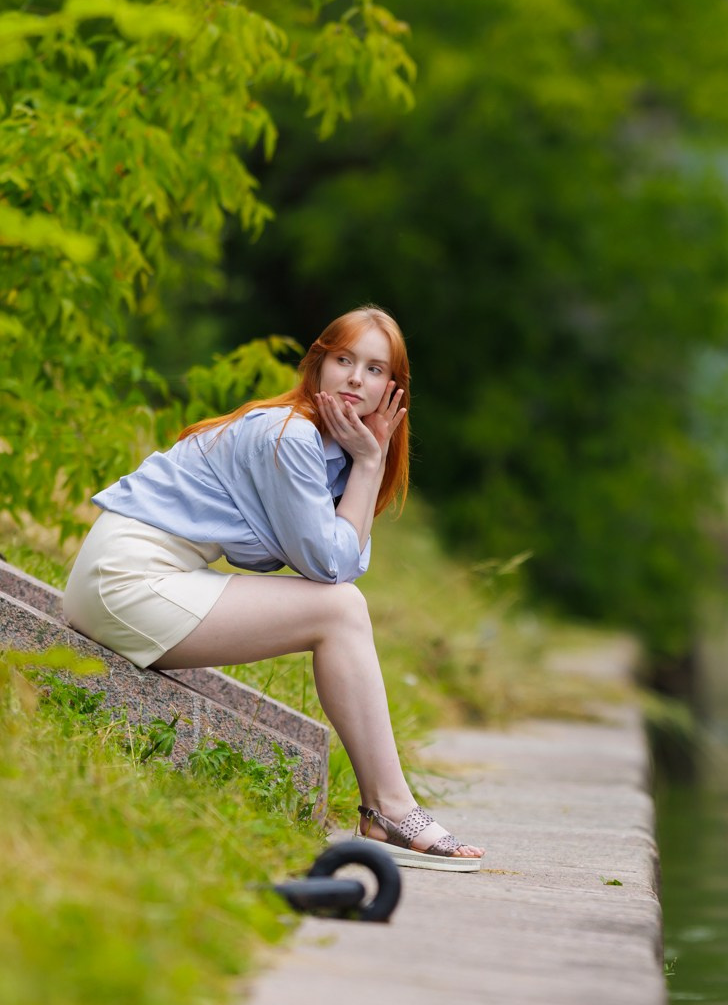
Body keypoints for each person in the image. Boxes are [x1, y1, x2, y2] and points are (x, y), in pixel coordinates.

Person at [62, 306, 483, 870]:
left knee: (341, 608)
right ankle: (388, 808)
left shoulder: (324, 446)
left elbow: (344, 557)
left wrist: (365, 462)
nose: (357, 378)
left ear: (393, 392)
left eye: (376, 369)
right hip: (126, 579)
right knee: (340, 611)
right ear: (318, 365)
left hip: (139, 578)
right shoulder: (290, 436)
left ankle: (386, 808)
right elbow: (333, 568)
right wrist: (369, 462)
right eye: (344, 360)